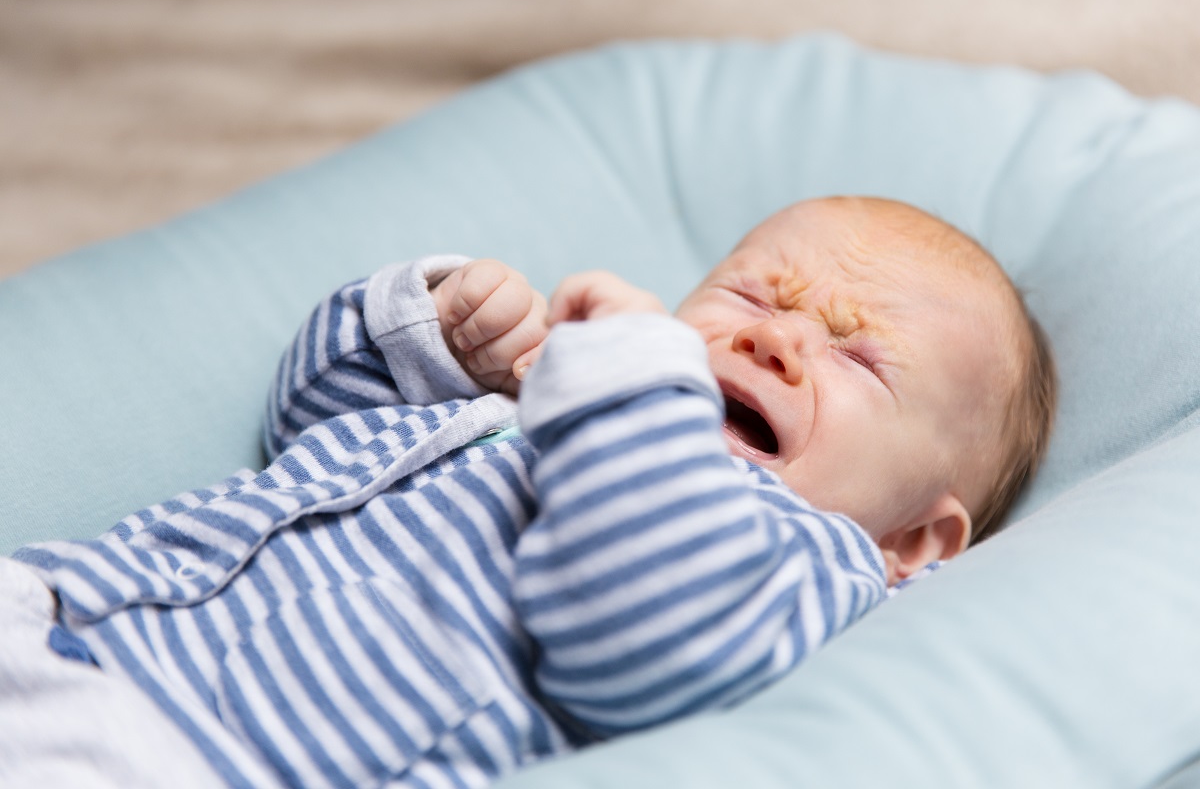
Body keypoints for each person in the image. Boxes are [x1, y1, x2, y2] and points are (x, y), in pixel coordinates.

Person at [2, 196, 1055, 789]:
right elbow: (311, 427)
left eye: (856, 358)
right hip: (62, 604)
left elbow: (636, 638)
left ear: (916, 536)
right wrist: (438, 337)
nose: (776, 336)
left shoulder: (804, 557)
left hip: (199, 754)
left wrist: (633, 382)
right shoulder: (537, 404)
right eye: (748, 293)